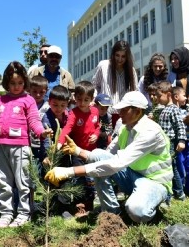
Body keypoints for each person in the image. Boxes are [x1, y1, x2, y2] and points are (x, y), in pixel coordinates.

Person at [44, 91, 173, 223]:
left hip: (154, 182)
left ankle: (155, 206)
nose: (119, 113)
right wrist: (77, 151)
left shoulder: (150, 132)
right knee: (98, 154)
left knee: (137, 211)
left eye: (124, 110)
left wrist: (68, 172)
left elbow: (115, 164)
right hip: (133, 176)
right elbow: (106, 156)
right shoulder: (126, 128)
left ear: (138, 111)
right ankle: (111, 214)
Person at [0, 61, 46, 228]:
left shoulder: (28, 99)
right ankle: (6, 213)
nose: (16, 87)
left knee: (23, 182)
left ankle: (24, 213)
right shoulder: (0, 101)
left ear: (25, 82)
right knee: (3, 181)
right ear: (6, 82)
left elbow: (34, 120)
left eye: (20, 83)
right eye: (12, 83)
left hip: (21, 147)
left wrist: (41, 132)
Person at [57, 81, 100, 213]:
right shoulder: (73, 113)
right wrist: (59, 142)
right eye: (79, 99)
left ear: (92, 100)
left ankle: (90, 202)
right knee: (80, 179)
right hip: (77, 152)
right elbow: (67, 128)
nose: (82, 102)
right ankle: (80, 204)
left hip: (91, 152)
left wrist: (96, 135)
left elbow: (97, 126)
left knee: (92, 178)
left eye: (86, 100)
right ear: (74, 98)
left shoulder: (95, 111)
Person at [92, 40, 138, 127]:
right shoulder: (103, 66)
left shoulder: (131, 71)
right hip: (104, 113)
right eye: (117, 55)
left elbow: (134, 93)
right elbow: (94, 86)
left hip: (123, 116)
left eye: (123, 56)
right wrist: (95, 101)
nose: (120, 59)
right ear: (113, 54)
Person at [156, 81, 187, 201]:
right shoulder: (164, 109)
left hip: (171, 143)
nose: (158, 99)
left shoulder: (173, 109)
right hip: (163, 144)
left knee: (170, 168)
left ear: (168, 94)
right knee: (170, 167)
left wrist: (182, 140)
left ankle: (175, 194)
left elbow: (180, 125)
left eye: (159, 96)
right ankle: (177, 192)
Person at [27, 75, 50, 161]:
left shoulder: (48, 106)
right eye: (34, 91)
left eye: (41, 92)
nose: (38, 94)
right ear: (29, 90)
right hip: (28, 144)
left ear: (46, 91)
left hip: (43, 145)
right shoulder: (26, 104)